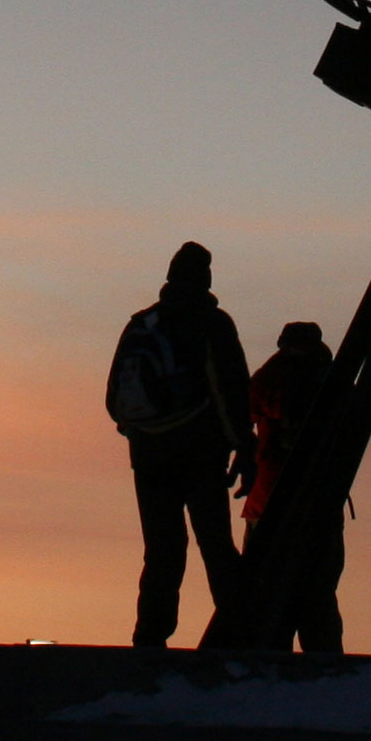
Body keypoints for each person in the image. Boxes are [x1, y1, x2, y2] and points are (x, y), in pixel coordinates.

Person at [109, 240, 252, 648]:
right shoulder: (212, 323)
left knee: (161, 550)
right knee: (215, 544)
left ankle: (149, 640)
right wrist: (244, 446)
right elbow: (231, 391)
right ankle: (242, 634)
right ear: (205, 279)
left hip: (147, 457)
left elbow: (114, 399)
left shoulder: (141, 324)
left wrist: (140, 431)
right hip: (200, 452)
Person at [241, 319, 344, 655]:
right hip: (320, 502)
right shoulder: (335, 381)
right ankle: (325, 668)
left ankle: (268, 666)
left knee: (264, 595)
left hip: (268, 503)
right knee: (318, 596)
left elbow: (241, 412)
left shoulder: (271, 378)